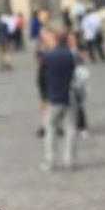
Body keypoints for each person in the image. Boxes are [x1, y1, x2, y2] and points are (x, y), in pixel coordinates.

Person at [39, 27, 77, 171]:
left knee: (50, 129)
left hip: (53, 96)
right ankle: (69, 160)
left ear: (55, 38)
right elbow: (73, 73)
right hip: (68, 95)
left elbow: (42, 78)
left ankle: (50, 160)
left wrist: (44, 95)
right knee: (70, 128)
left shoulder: (47, 56)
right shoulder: (70, 55)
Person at [67, 29, 90, 138]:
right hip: (68, 78)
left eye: (72, 38)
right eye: (69, 38)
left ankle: (83, 127)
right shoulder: (64, 49)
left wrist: (79, 54)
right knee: (69, 105)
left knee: (79, 103)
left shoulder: (80, 48)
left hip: (79, 78)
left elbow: (84, 59)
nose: (70, 40)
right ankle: (73, 126)